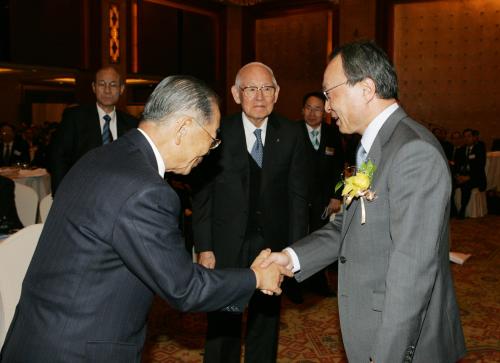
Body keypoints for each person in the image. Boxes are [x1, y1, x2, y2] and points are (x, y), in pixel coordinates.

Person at [0, 75, 291, 362]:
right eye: (212, 137)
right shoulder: (146, 190)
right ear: (183, 128)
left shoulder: (102, 157)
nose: (211, 148)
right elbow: (184, 288)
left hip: (36, 334)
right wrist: (255, 277)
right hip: (78, 348)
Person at [262, 41, 466, 363]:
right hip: (372, 324)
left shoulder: (413, 151)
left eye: (330, 94)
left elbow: (411, 273)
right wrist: (292, 257)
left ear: (367, 89)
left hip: (402, 341)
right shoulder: (372, 146)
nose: (327, 107)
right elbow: (351, 223)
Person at [192, 62, 309, 363]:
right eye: (251, 89)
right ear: (235, 93)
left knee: (265, 323)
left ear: (277, 93)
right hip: (226, 244)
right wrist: (205, 247)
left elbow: (298, 198)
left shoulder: (292, 133)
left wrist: (296, 251)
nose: (259, 96)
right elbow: (203, 197)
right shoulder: (218, 131)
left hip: (272, 246)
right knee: (222, 324)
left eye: (266, 88)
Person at [48, 66, 138, 195]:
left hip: (120, 195)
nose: (107, 90)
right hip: (81, 194)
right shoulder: (75, 118)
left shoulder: (131, 123)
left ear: (121, 89)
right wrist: (61, 195)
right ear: (94, 87)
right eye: (102, 84)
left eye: (113, 85)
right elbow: (58, 157)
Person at [300, 91, 344, 296]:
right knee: (298, 238)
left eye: (317, 108)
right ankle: (297, 286)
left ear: (324, 111)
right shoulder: (292, 131)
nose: (312, 113)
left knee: (320, 240)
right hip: (298, 199)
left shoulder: (333, 133)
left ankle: (319, 284)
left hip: (324, 200)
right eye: (309, 108)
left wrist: (337, 196)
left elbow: (339, 167)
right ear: (302, 110)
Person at [454, 128, 487, 218]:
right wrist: (457, 176)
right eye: (464, 137)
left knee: (466, 185)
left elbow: (480, 166)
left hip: (476, 177)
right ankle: (452, 210)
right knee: (450, 183)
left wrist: (468, 177)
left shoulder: (479, 148)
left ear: (474, 137)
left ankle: (463, 209)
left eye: (469, 136)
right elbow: (456, 166)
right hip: (461, 177)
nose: (466, 139)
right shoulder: (460, 150)